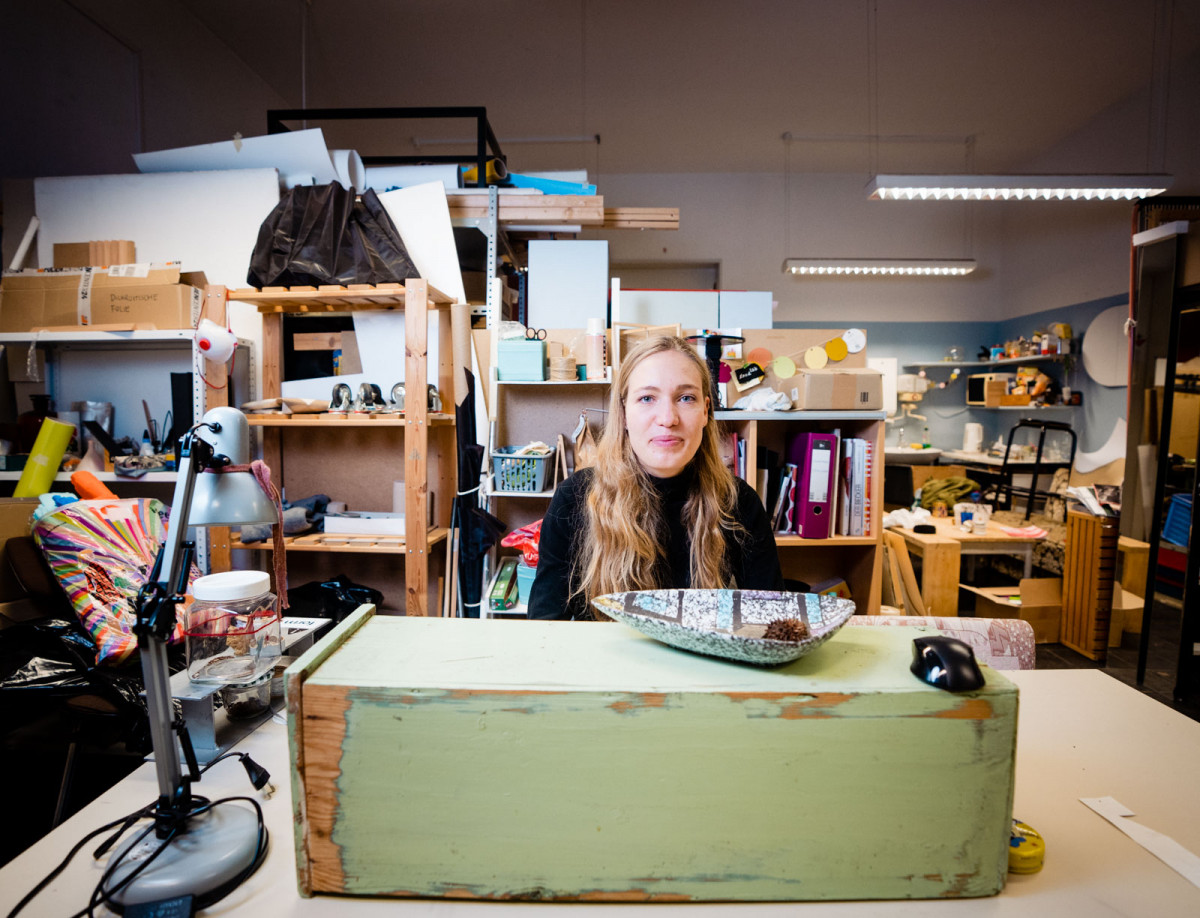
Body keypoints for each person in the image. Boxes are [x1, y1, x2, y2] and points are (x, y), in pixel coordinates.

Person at [527, 334, 783, 621]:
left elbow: (769, 621)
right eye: (647, 398)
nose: (668, 418)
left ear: (705, 411)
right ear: (624, 413)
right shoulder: (576, 497)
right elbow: (546, 625)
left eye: (686, 398)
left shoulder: (738, 502)